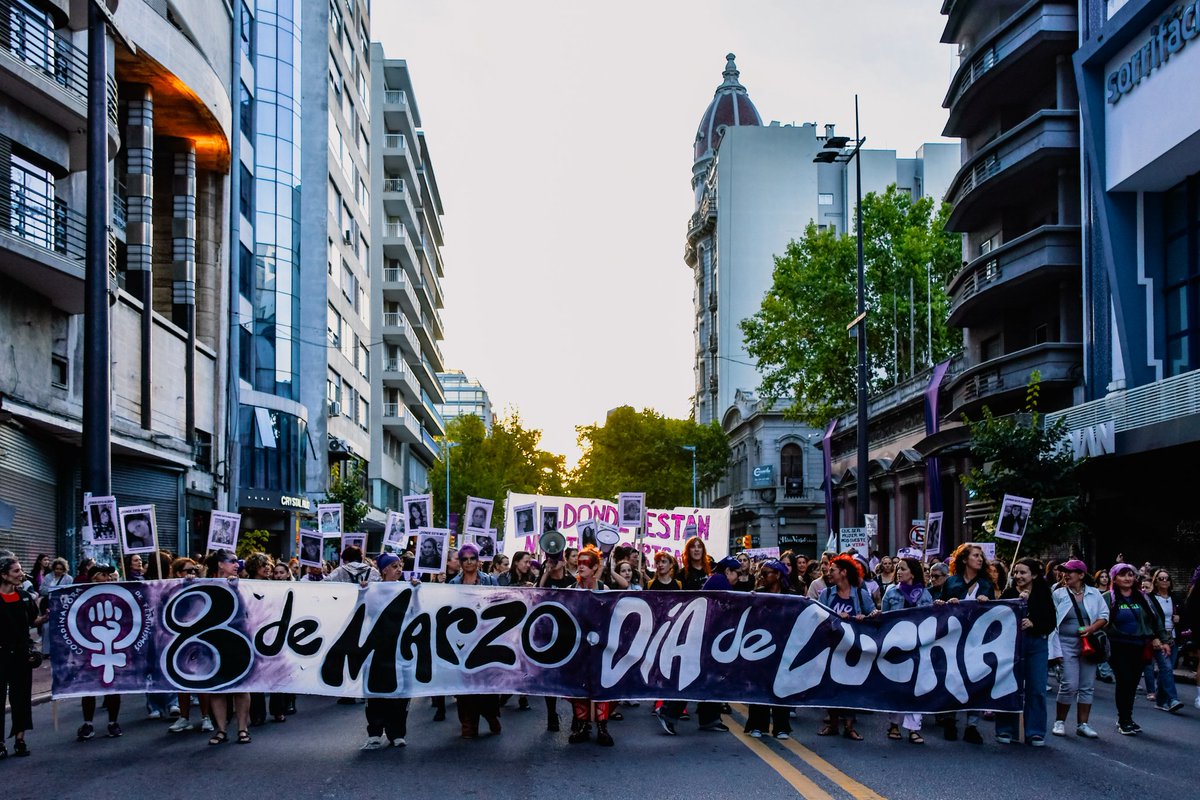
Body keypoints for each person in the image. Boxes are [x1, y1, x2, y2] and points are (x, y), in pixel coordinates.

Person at [817, 555, 877, 740]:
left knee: (852, 686)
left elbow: (874, 615)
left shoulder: (861, 594)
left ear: (843, 572)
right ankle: (833, 724)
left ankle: (849, 726)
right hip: (832, 647)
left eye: (833, 569)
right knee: (832, 686)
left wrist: (865, 617)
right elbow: (819, 618)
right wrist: (834, 616)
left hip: (854, 648)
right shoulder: (826, 594)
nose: (829, 572)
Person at [996, 558, 1055, 746]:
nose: (1018, 576)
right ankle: (1006, 729)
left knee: (1036, 688)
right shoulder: (1010, 592)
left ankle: (1035, 732)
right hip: (1012, 645)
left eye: (1023, 572)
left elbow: (1051, 621)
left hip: (1037, 645)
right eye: (1016, 573)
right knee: (1009, 686)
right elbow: (998, 615)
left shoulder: (1043, 593)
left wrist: (1034, 623)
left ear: (1034, 575)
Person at [1104, 563, 1168, 735]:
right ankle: (1123, 719)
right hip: (1118, 645)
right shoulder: (1107, 597)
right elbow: (1098, 620)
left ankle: (1127, 718)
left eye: (1130, 575)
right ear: (1114, 578)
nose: (1127, 578)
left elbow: (1155, 620)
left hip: (1139, 646)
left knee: (1132, 683)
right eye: (1123, 575)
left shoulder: (1143, 597)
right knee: (1124, 680)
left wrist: (1163, 639)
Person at [447, 543, 501, 738]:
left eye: (472, 558)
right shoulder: (453, 584)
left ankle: (490, 715)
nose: (469, 562)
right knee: (464, 683)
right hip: (463, 640)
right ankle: (468, 723)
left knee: (485, 683)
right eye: (464, 559)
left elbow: (500, 603)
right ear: (460, 562)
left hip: (486, 637)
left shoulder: (490, 581)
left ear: (478, 560)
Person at [1050, 559, 1108, 739]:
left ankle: (1083, 724)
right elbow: (1052, 619)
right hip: (1065, 643)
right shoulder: (1058, 593)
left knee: (1087, 686)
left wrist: (1092, 628)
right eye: (1064, 571)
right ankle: (1059, 721)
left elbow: (1104, 616)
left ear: (1081, 575)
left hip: (1088, 644)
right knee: (1069, 684)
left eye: (1070, 571)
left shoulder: (1095, 594)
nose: (1066, 574)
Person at [360, 553, 411, 749]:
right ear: (384, 570)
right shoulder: (372, 591)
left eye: (400, 565)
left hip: (400, 648)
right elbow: (360, 611)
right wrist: (362, 592)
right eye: (394, 566)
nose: (399, 569)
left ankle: (396, 732)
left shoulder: (407, 589)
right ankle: (374, 732)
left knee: (399, 692)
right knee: (375, 690)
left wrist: (417, 589)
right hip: (377, 649)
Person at [881, 557, 932, 743]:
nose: (898, 572)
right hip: (896, 646)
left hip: (918, 646)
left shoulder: (925, 594)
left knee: (916, 687)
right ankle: (894, 724)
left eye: (902, 568)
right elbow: (884, 618)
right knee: (896, 685)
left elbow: (930, 620)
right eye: (897, 569)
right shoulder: (891, 592)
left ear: (912, 572)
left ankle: (913, 728)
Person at [567, 546, 614, 746]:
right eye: (579, 562)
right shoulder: (570, 591)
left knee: (602, 686)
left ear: (595, 567)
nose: (581, 566)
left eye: (586, 563)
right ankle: (583, 725)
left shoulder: (605, 590)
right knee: (578, 687)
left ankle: (602, 727)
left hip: (600, 647)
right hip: (577, 648)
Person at [204, 550, 251, 745]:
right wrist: (188, 581)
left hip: (238, 640)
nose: (237, 564)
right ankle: (221, 730)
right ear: (220, 565)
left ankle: (242, 728)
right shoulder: (204, 583)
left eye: (237, 561)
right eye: (232, 561)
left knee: (241, 686)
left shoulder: (244, 584)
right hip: (212, 641)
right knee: (217, 688)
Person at [0, 555, 43, 757]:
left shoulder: (25, 596)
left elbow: (34, 621)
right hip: (0, 654)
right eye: (16, 571)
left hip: (20, 654)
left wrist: (50, 616)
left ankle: (20, 740)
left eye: (20, 570)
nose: (21, 574)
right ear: (3, 575)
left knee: (21, 698)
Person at [77, 564, 125, 741]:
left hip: (113, 645)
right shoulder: (81, 595)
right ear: (94, 577)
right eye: (104, 575)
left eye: (109, 575)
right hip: (90, 646)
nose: (108, 578)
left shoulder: (116, 594)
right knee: (88, 687)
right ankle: (88, 724)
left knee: (113, 686)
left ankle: (113, 722)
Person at [1143, 568, 1184, 712]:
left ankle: (1160, 701)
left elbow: (1185, 615)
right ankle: (1172, 699)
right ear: (1155, 581)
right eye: (1161, 578)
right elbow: (1147, 619)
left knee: (1166, 670)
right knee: (1166, 668)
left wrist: (1179, 619)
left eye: (1167, 578)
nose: (1164, 581)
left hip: (1173, 637)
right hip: (1158, 638)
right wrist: (1154, 637)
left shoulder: (1175, 598)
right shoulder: (1150, 598)